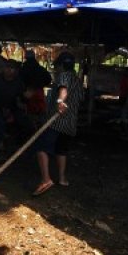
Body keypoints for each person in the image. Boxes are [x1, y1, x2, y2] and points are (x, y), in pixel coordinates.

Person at [32, 52, 84, 196]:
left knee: (41, 147)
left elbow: (63, 89)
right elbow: (79, 99)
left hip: (57, 121)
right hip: (70, 124)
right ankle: (62, 178)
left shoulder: (64, 76)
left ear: (60, 66)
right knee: (61, 150)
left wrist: (60, 101)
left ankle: (46, 179)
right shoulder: (78, 80)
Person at [0, 60, 31, 162]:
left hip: (12, 108)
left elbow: (22, 98)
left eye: (11, 68)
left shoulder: (18, 82)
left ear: (15, 71)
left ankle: (16, 149)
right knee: (0, 128)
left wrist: (25, 98)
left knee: (25, 123)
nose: (8, 70)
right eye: (7, 67)